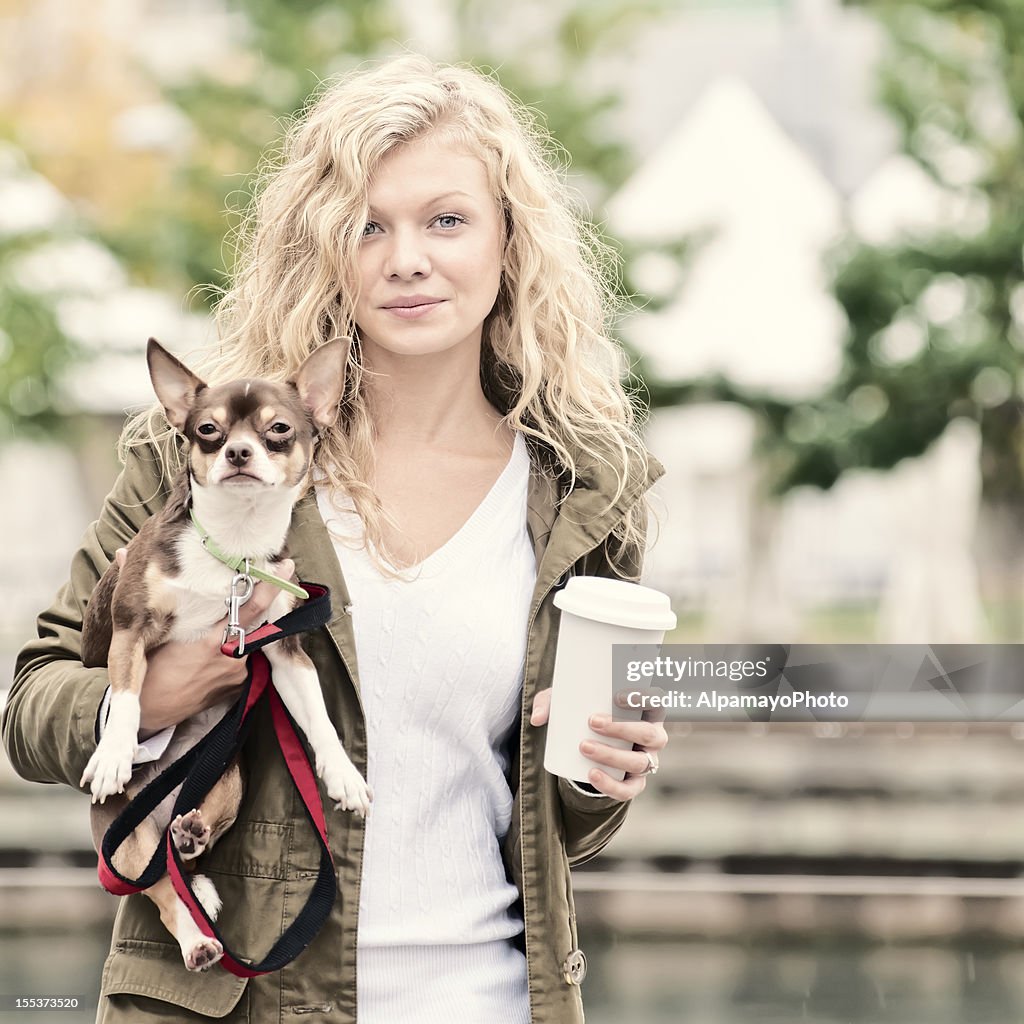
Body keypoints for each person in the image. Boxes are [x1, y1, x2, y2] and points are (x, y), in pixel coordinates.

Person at [2, 53, 668, 1024]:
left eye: (446, 219)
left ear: (509, 242)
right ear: (322, 249)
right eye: (367, 225)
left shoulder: (584, 487)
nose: (406, 257)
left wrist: (603, 771)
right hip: (234, 997)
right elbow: (32, 704)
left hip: (484, 999)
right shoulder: (198, 451)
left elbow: (565, 825)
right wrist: (156, 692)